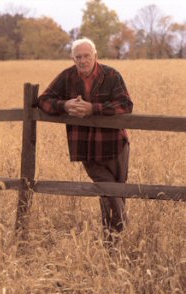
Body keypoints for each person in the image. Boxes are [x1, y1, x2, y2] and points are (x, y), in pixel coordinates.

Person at [37, 37, 133, 245]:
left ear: (95, 55)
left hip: (115, 144)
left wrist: (93, 108)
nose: (82, 60)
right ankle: (122, 231)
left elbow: (125, 105)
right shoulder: (67, 77)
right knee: (109, 190)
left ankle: (113, 243)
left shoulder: (112, 75)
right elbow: (43, 100)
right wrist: (65, 105)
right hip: (86, 148)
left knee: (117, 190)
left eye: (86, 56)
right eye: (78, 57)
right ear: (73, 59)